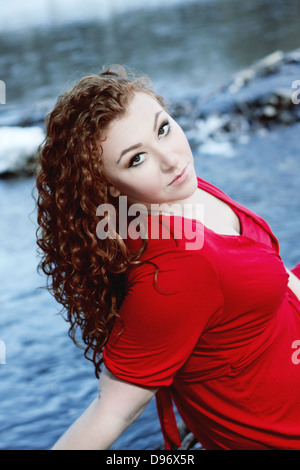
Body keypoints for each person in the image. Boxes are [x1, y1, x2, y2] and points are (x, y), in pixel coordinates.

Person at [35, 65, 300, 450]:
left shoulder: (175, 190)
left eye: (162, 128)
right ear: (105, 185)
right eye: (135, 159)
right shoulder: (174, 271)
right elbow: (112, 411)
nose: (172, 159)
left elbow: (262, 273)